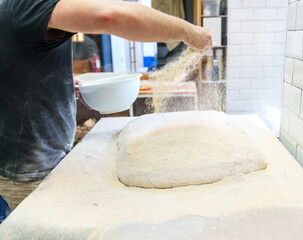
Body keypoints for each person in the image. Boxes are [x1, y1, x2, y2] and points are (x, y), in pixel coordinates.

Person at [0, 0, 212, 211]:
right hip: (31, 174)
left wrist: (54, 83)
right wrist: (188, 31)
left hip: (24, 163)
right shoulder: (25, 4)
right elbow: (112, 16)